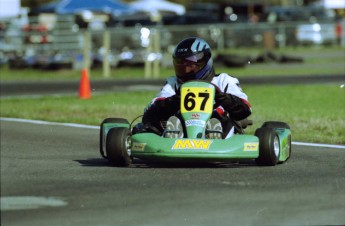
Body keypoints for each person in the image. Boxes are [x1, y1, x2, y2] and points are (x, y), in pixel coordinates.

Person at [141, 37, 251, 138]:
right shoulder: (173, 83)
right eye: (181, 66)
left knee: (220, 117)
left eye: (189, 65)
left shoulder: (224, 80)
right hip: (184, 124)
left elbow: (245, 109)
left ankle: (214, 132)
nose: (185, 71)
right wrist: (175, 100)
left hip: (219, 122)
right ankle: (174, 132)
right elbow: (152, 111)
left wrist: (224, 99)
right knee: (159, 122)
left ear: (204, 62)